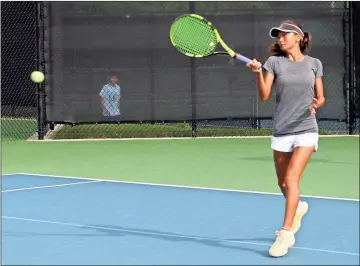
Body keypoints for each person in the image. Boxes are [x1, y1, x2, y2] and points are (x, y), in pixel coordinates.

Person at [246, 20, 325, 257]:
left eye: (285, 35)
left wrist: (316, 103)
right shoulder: (273, 63)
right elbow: (264, 95)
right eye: (278, 36)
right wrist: (258, 73)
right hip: (282, 130)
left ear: (299, 37)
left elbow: (321, 96)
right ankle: (298, 206)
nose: (281, 39)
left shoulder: (314, 64)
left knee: (292, 178)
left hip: (306, 129)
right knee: (282, 183)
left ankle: (285, 233)